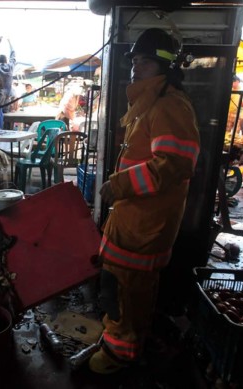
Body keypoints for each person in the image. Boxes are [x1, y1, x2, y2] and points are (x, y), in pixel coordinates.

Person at [89, 28, 200, 374]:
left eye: (146, 61)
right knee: (127, 288)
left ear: (167, 66)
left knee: (126, 289)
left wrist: (118, 185)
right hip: (135, 217)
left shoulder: (169, 105)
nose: (136, 67)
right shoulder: (149, 101)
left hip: (145, 223)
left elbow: (173, 164)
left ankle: (121, 354)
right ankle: (122, 338)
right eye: (135, 60)